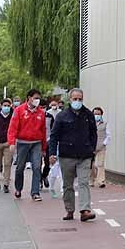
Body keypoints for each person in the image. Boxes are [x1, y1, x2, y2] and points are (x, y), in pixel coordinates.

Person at [49, 89, 98, 222]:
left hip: (84, 155)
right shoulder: (62, 116)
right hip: (67, 155)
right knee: (68, 185)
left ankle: (85, 210)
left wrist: (92, 150)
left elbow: (94, 134)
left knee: (83, 182)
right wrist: (52, 153)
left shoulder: (88, 115)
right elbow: (54, 136)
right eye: (75, 99)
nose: (77, 101)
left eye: (80, 99)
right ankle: (69, 209)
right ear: (69, 100)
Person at [8, 89, 48, 201]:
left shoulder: (41, 112)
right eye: (35, 98)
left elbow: (43, 131)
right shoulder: (19, 110)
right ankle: (18, 188)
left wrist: (44, 148)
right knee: (20, 167)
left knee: (36, 167)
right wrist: (12, 142)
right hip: (22, 143)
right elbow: (13, 127)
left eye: (38, 98)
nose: (37, 100)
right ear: (29, 98)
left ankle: (35, 192)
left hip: (36, 143)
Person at [0, 99, 14, 192]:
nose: (6, 107)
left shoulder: (12, 117)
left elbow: (15, 130)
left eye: (8, 106)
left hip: (8, 143)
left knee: (7, 164)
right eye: (4, 105)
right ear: (1, 106)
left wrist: (12, 141)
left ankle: (6, 184)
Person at [42, 98, 61, 189]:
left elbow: (53, 130)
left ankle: (44, 176)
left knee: (47, 163)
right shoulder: (33, 116)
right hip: (37, 142)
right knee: (36, 164)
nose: (42, 109)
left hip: (48, 142)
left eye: (43, 107)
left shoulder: (49, 116)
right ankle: (38, 181)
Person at [91, 106, 109, 188]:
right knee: (91, 165)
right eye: (95, 114)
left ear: (101, 114)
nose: (97, 115)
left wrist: (104, 143)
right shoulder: (89, 123)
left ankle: (101, 181)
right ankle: (91, 180)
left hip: (101, 147)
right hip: (91, 147)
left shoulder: (105, 123)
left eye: (98, 114)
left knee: (100, 164)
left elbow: (108, 135)